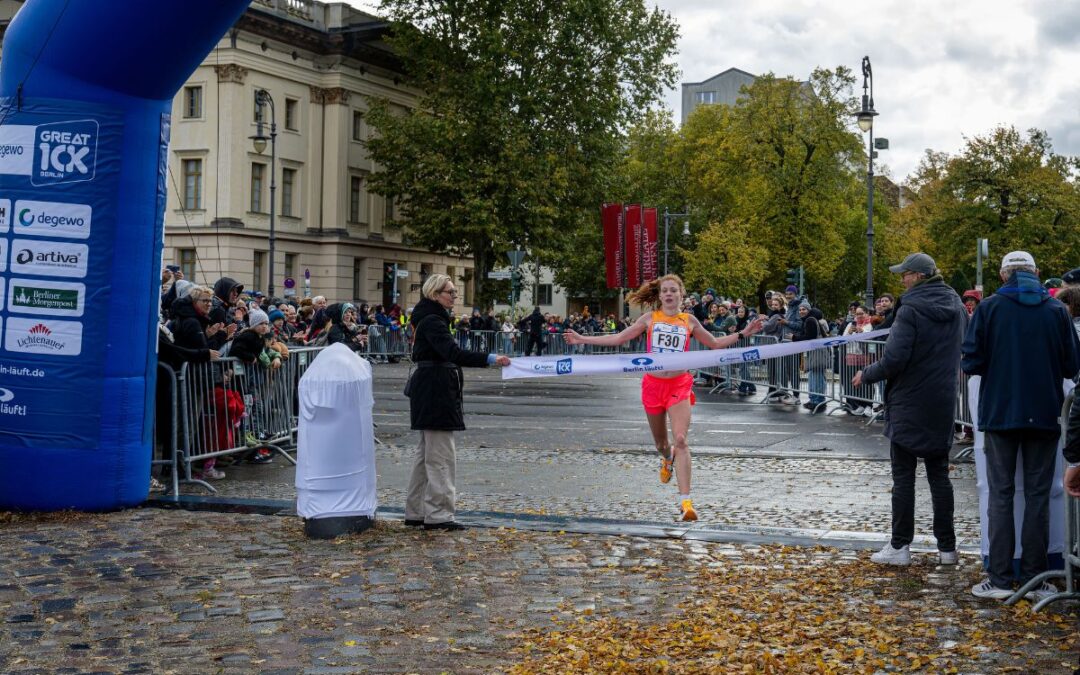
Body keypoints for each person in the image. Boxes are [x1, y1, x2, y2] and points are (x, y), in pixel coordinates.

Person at [565, 274, 765, 521]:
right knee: (662, 444)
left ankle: (686, 503)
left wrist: (744, 333)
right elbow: (619, 338)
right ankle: (667, 459)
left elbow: (714, 344)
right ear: (659, 296)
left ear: (681, 294)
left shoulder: (689, 321)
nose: (669, 294)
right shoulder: (650, 318)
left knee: (680, 439)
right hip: (653, 385)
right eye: (665, 291)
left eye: (673, 290)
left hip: (679, 385)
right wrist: (582, 338)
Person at [962, 251, 1080, 601]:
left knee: (1000, 494)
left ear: (1002, 275)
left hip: (1000, 412)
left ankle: (998, 578)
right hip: (1044, 412)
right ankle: (1035, 577)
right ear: (1036, 272)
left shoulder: (989, 308)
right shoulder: (1057, 310)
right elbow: (1071, 364)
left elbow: (971, 361)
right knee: (1038, 496)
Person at [854, 253, 967, 566]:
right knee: (939, 477)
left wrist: (867, 373)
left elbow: (894, 359)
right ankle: (947, 549)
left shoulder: (911, 308)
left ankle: (900, 546)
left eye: (904, 274)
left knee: (903, 477)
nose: (901, 279)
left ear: (917, 275)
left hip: (909, 401)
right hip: (942, 400)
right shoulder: (956, 305)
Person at [406, 274, 510, 530]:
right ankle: (439, 514)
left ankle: (417, 510)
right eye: (450, 292)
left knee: (426, 454)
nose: (454, 296)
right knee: (440, 455)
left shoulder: (428, 317)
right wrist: (489, 358)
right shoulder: (433, 320)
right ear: (435, 294)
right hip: (435, 388)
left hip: (430, 386)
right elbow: (453, 353)